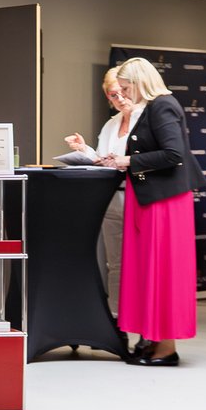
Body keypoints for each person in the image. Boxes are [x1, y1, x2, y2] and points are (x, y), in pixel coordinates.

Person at [100, 58, 204, 365]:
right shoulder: (148, 108)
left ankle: (167, 349)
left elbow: (173, 154)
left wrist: (129, 161)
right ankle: (153, 339)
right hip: (149, 197)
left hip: (165, 201)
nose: (123, 93)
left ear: (139, 82)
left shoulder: (162, 106)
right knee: (148, 270)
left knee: (163, 271)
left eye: (126, 87)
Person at [65, 67, 143, 316]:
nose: (119, 98)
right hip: (111, 197)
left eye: (122, 92)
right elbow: (102, 159)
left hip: (139, 196)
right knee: (116, 263)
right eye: (112, 95)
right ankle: (117, 318)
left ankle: (142, 319)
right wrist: (84, 151)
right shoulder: (111, 124)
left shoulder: (145, 119)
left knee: (142, 262)